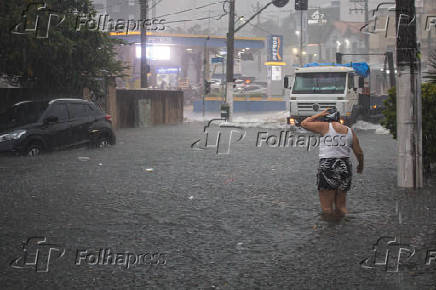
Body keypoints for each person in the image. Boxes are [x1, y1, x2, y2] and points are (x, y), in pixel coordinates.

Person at [301, 108, 364, 217]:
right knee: (341, 206)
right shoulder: (349, 131)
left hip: (328, 166)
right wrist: (360, 166)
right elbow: (359, 152)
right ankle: (343, 228)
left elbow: (304, 123)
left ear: (326, 119)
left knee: (327, 208)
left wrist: (318, 114)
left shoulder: (325, 126)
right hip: (345, 167)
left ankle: (330, 231)